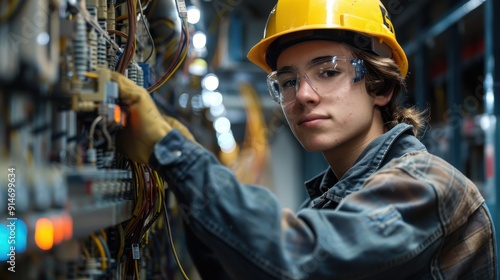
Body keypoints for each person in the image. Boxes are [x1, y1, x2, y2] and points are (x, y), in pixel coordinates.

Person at [111, 0, 497, 278]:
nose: (303, 95)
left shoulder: (427, 184)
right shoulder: (327, 201)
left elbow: (302, 262)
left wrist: (176, 155)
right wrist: (178, 164)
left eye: (327, 71)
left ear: (379, 86)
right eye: (288, 81)